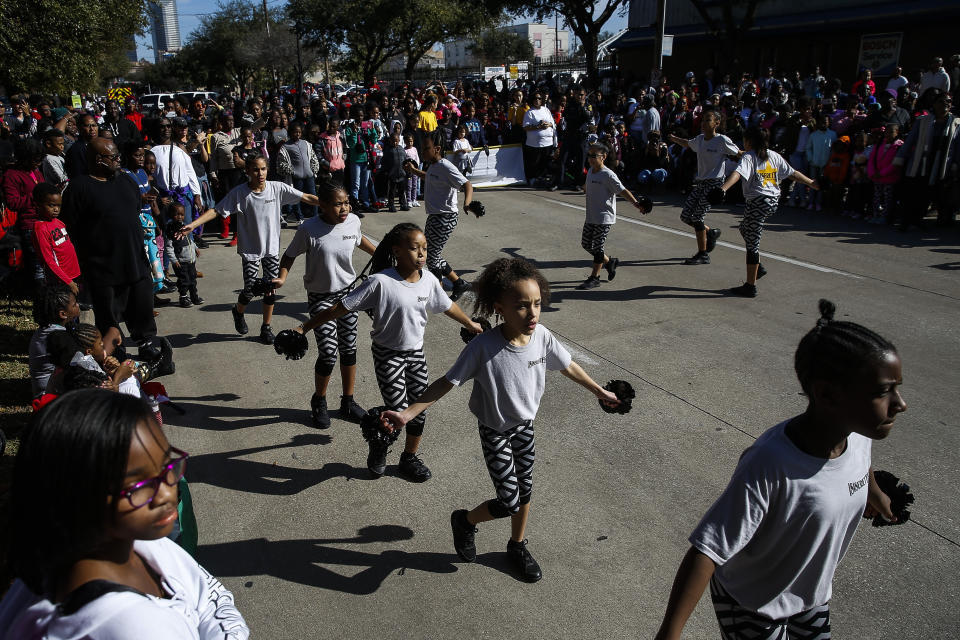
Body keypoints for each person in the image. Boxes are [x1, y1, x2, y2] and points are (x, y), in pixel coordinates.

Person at [653, 299, 905, 640]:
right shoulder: (770, 463)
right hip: (751, 602)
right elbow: (707, 549)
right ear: (827, 395)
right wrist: (670, 634)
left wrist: (873, 493)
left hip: (810, 594)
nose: (900, 403)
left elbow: (861, 464)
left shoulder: (856, 435)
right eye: (883, 392)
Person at [381, 257, 620, 583]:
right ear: (500, 308)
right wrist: (407, 413)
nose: (532, 313)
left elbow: (568, 366)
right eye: (522, 306)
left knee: (525, 490)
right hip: (495, 430)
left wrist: (598, 390)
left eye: (537, 304)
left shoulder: (542, 337)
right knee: (509, 499)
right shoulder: (484, 347)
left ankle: (517, 545)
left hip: (524, 426)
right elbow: (446, 382)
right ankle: (465, 521)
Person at [0, 389, 250, 639]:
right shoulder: (131, 627)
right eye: (138, 485)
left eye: (167, 466)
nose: (167, 493)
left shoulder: (132, 543)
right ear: (75, 495)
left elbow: (207, 594)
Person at [292, 223, 482, 481]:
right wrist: (305, 326)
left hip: (416, 354)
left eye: (425, 249)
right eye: (415, 249)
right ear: (397, 251)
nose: (422, 254)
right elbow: (339, 308)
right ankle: (379, 445)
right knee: (397, 408)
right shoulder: (380, 282)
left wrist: (470, 323)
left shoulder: (428, 280)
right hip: (387, 354)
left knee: (418, 408)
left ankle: (408, 458)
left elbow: (447, 306)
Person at [180, 155, 321, 345]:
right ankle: (238, 310)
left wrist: (329, 204)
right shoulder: (240, 193)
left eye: (263, 169)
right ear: (247, 171)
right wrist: (193, 224)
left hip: (271, 250)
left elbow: (305, 197)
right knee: (250, 289)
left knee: (270, 290)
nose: (260, 173)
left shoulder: (277, 188)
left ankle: (266, 327)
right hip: (250, 251)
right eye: (255, 169)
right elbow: (217, 210)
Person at [273, 181, 377, 428]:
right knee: (329, 353)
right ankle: (319, 401)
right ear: (323, 205)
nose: (345, 208)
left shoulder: (352, 221)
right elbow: (289, 255)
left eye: (346, 202)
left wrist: (383, 254)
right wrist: (282, 277)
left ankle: (348, 402)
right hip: (321, 298)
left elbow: (359, 240)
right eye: (338, 204)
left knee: (349, 349)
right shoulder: (309, 229)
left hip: (350, 296)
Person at [61, 137, 158, 348]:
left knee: (142, 308)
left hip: (135, 262)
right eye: (113, 157)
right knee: (108, 317)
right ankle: (115, 352)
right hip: (102, 268)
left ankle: (147, 346)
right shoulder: (79, 188)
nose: (118, 160)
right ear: (98, 159)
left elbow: (133, 214)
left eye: (118, 156)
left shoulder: (126, 181)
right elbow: (71, 229)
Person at [717, 127, 819, 298]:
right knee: (744, 229)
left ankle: (750, 286)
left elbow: (737, 173)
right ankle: (758, 267)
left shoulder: (749, 156)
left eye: (745, 140)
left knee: (752, 244)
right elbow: (792, 173)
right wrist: (812, 183)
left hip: (758, 201)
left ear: (749, 141)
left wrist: (722, 189)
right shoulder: (774, 155)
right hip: (771, 202)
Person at [402, 130, 474, 301]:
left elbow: (467, 184)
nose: (423, 151)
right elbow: (431, 177)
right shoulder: (434, 166)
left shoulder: (446, 166)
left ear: (437, 149)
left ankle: (438, 294)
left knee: (431, 257)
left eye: (426, 148)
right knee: (434, 254)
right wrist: (414, 171)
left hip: (445, 217)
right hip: (436, 216)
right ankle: (458, 283)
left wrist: (467, 204)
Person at [669, 112, 742, 265]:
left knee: (697, 217)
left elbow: (739, 153)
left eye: (707, 120)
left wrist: (757, 155)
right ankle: (710, 233)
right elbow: (688, 143)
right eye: (702, 120)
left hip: (714, 184)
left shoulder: (721, 140)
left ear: (717, 123)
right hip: (701, 183)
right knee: (686, 216)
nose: (703, 123)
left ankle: (703, 254)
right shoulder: (700, 140)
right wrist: (673, 138)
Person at [576, 142, 648, 290]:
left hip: (604, 217)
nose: (590, 158)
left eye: (594, 155)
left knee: (597, 246)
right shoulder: (590, 171)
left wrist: (636, 203)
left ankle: (595, 278)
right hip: (591, 215)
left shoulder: (608, 175)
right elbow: (587, 186)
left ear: (604, 157)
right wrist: (583, 187)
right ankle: (609, 262)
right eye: (589, 155)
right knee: (586, 244)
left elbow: (622, 190)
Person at [893, 92, 960, 229]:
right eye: (941, 101)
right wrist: (900, 158)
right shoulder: (923, 121)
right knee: (918, 193)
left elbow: (958, 146)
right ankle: (912, 220)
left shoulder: (956, 123)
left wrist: (955, 164)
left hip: (943, 165)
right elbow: (910, 141)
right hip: (922, 162)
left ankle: (944, 221)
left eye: (948, 102)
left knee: (942, 195)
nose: (945, 104)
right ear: (934, 104)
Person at [120, 143, 164, 295]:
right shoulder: (123, 175)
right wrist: (141, 199)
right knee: (142, 262)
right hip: (135, 222)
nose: (140, 159)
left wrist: (157, 222)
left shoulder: (142, 173)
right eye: (136, 155)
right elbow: (125, 200)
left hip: (148, 222)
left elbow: (150, 202)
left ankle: (153, 297)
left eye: (142, 155)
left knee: (152, 262)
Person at [28, 282, 80, 398]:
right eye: (74, 304)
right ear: (63, 314)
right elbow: (85, 365)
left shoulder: (43, 331)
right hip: (52, 399)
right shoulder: (59, 339)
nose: (78, 306)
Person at [31, 183, 80, 293]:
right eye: (51, 205)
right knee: (62, 307)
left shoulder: (58, 222)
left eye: (59, 205)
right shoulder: (40, 229)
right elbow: (48, 260)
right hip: (59, 280)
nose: (56, 209)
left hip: (73, 274)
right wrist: (68, 282)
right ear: (38, 205)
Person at [276, 121, 319, 222]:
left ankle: (316, 216)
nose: (298, 134)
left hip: (309, 176)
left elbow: (313, 157)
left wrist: (313, 170)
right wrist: (292, 172)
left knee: (313, 196)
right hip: (297, 177)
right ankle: (300, 218)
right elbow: (281, 162)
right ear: (290, 133)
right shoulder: (286, 146)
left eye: (299, 132)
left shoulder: (306, 144)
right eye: (295, 132)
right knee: (297, 198)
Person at [164, 202, 203, 308]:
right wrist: (174, 260)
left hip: (190, 259)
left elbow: (189, 239)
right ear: (171, 215)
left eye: (182, 214)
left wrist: (195, 248)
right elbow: (169, 247)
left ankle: (194, 296)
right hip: (180, 261)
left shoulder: (184, 226)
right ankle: (183, 297)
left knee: (192, 279)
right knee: (183, 280)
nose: (180, 217)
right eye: (177, 214)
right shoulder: (170, 230)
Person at [866, 124, 903, 224]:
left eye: (891, 132)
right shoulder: (879, 144)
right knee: (876, 197)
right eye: (886, 131)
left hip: (890, 178)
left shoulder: (899, 146)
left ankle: (885, 217)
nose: (888, 134)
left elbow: (895, 164)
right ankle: (875, 215)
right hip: (877, 177)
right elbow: (871, 159)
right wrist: (872, 172)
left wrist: (882, 173)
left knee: (888, 199)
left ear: (897, 133)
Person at [521, 93, 556, 186]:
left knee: (545, 162)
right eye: (535, 98)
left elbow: (552, 123)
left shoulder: (546, 110)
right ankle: (532, 179)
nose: (537, 100)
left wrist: (547, 124)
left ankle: (542, 178)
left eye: (539, 98)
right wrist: (538, 127)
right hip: (534, 144)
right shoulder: (530, 112)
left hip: (547, 142)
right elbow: (525, 127)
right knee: (534, 162)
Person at [381, 132, 410, 212]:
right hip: (392, 175)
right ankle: (391, 205)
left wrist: (407, 171)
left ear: (399, 140)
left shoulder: (401, 149)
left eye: (396, 141)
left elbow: (405, 160)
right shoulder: (388, 150)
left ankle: (403, 204)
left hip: (402, 174)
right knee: (392, 192)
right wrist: (386, 171)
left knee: (402, 191)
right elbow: (384, 161)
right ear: (390, 141)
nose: (395, 143)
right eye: (393, 141)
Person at [64, 114, 98, 179]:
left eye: (94, 125)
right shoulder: (76, 150)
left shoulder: (100, 144)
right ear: (79, 128)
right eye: (87, 126)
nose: (92, 129)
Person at [403, 133, 421, 207]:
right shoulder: (405, 151)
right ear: (405, 142)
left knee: (414, 185)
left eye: (411, 141)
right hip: (409, 172)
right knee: (409, 186)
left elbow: (417, 158)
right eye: (408, 141)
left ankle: (414, 200)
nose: (410, 143)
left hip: (415, 170)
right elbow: (404, 161)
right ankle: (409, 200)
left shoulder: (414, 149)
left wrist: (417, 167)